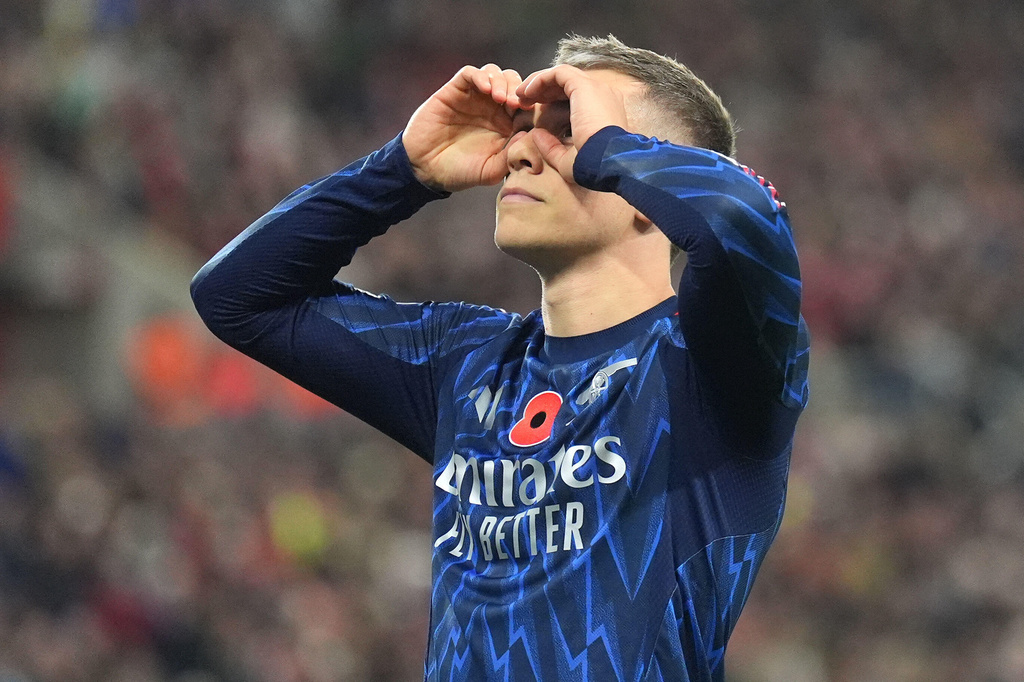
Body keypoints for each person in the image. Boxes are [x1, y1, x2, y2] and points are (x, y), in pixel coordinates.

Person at [191, 34, 809, 682]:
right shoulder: (466, 362)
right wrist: (403, 170)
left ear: (651, 193)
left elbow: (749, 217)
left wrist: (607, 151)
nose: (520, 148)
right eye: (523, 125)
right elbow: (238, 297)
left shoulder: (713, 368)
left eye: (567, 127)